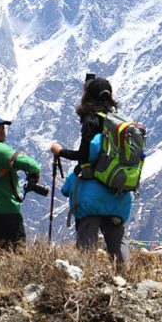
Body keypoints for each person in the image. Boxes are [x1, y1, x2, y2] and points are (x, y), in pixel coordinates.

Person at [50, 76, 131, 269]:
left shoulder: (91, 120)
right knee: (118, 241)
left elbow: (84, 155)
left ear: (88, 96)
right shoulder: (120, 122)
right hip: (118, 192)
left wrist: (60, 151)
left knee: (87, 243)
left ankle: (86, 278)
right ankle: (127, 281)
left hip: (91, 193)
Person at [0, 113, 42, 254]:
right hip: (6, 211)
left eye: (3, 127)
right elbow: (33, 165)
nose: (2, 130)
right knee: (16, 254)